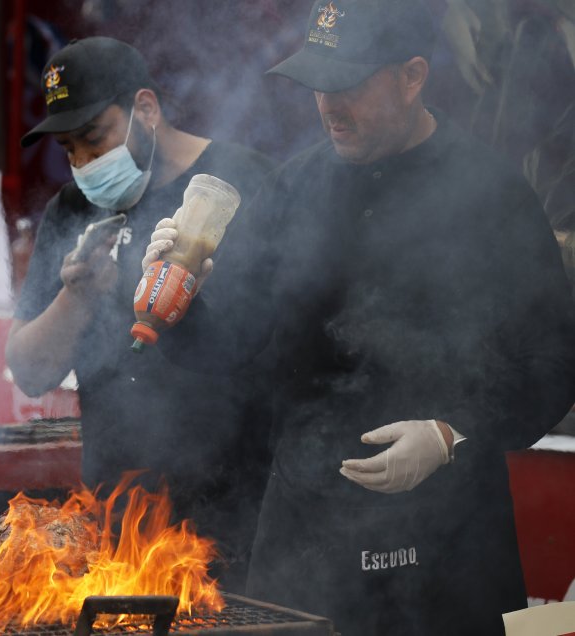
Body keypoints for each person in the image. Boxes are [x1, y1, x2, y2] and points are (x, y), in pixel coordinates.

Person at [141, 0, 575, 633]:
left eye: (347, 84)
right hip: (304, 545)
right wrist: (183, 306)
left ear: (413, 75)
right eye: (317, 85)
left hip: (447, 551)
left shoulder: (492, 195)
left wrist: (452, 435)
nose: (327, 105)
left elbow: (553, 362)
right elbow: (235, 350)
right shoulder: (292, 190)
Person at [5, 36, 276, 590]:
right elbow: (30, 371)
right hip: (117, 521)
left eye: (94, 139)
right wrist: (77, 296)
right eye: (69, 150)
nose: (84, 163)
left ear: (145, 110)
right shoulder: (72, 210)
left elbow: (272, 342)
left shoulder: (240, 183)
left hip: (232, 518)